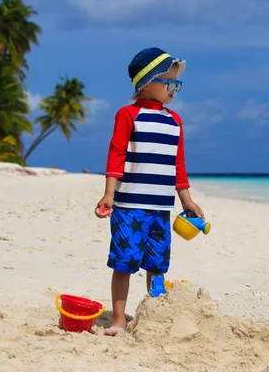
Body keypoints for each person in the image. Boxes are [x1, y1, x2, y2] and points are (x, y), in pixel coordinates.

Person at [94, 47, 205, 336]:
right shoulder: (128, 115)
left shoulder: (174, 121)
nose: (174, 89)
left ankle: (152, 315)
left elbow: (178, 165)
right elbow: (116, 153)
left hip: (160, 209)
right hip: (129, 205)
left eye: (176, 84)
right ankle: (119, 319)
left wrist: (187, 200)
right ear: (146, 83)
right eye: (169, 82)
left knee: (157, 265)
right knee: (124, 262)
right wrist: (109, 193)